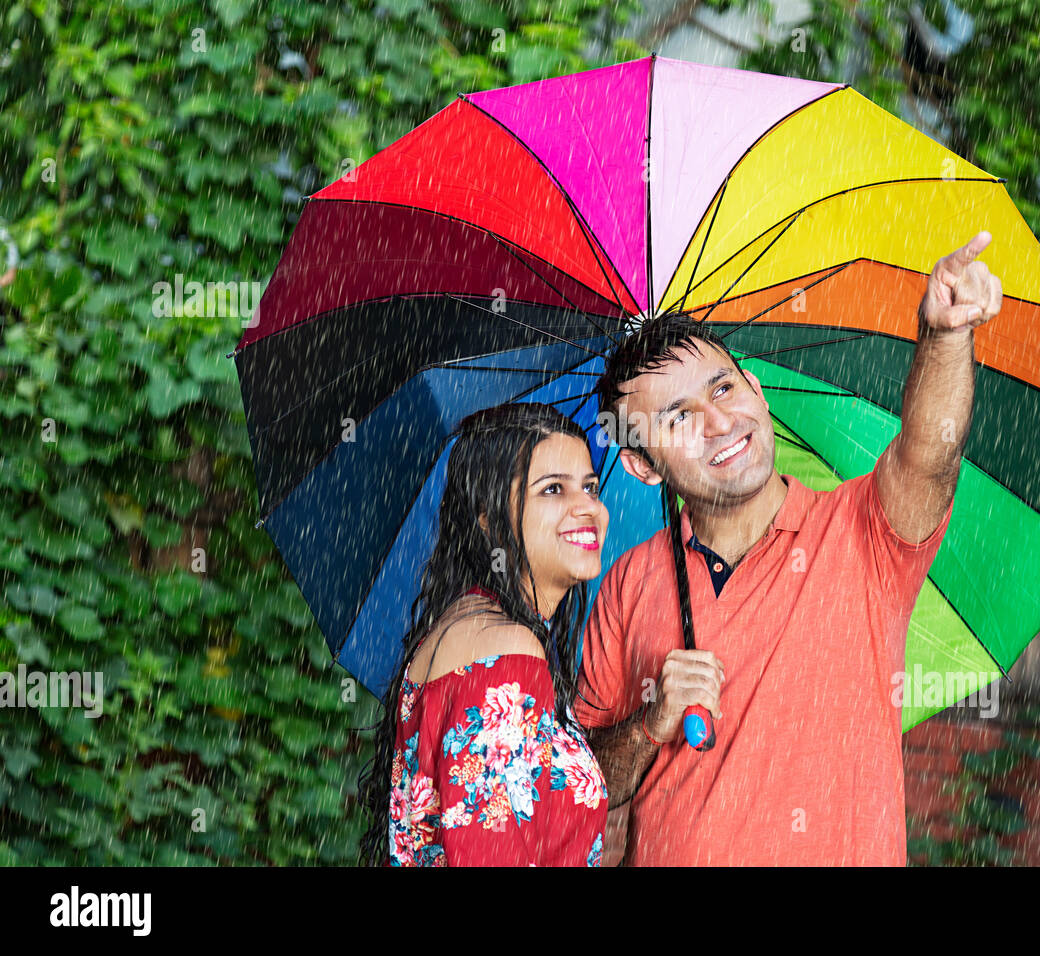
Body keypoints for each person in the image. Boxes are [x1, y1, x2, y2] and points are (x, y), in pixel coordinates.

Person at [575, 232, 1003, 865]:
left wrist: (944, 338)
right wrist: (649, 724)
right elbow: (583, 788)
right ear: (642, 465)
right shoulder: (629, 582)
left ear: (755, 388)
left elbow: (931, 454)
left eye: (722, 390)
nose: (719, 423)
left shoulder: (864, 532)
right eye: (678, 418)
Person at [357, 402, 610, 866]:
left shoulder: (471, 625)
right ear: (488, 519)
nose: (587, 507)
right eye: (552, 489)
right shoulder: (508, 651)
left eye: (590, 487)